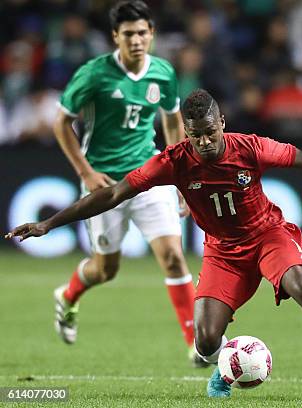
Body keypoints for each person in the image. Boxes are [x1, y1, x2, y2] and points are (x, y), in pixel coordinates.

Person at [7, 89, 302, 400]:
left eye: (210, 132)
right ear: (186, 130)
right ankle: (228, 366)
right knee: (204, 342)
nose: (203, 141)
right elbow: (113, 194)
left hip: (269, 236)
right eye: (195, 134)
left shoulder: (250, 147)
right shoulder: (173, 161)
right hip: (223, 252)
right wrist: (49, 223)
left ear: (222, 122)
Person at [51, 1, 199, 366]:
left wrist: (179, 175)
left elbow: (171, 122)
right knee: (106, 269)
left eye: (142, 32)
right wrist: (85, 172)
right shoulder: (94, 74)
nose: (136, 39)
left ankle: (196, 343)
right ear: (115, 37)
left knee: (173, 257)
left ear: (152, 33)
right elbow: (61, 123)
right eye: (128, 34)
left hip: (148, 175)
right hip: (104, 183)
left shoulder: (163, 72)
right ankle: (68, 296)